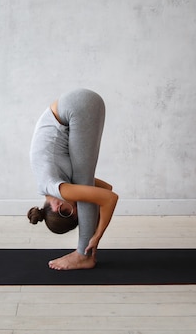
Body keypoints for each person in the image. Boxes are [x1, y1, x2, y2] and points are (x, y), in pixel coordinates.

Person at [27, 88, 118, 270]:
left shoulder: (57, 188)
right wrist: (92, 205)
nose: (77, 201)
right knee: (84, 182)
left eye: (74, 206)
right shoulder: (55, 182)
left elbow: (110, 198)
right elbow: (106, 189)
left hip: (77, 106)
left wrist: (97, 235)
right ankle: (83, 254)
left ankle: (84, 255)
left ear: (58, 206)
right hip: (80, 103)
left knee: (83, 182)